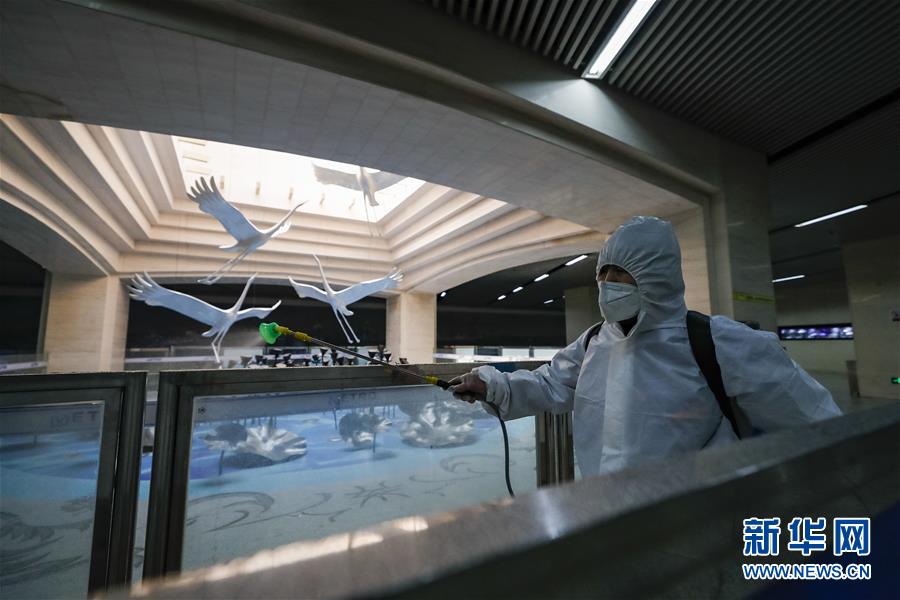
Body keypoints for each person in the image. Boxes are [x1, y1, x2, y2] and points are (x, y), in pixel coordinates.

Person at [448, 216, 841, 477]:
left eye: (620, 272)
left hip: (700, 514)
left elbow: (810, 419)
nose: (607, 283)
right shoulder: (595, 341)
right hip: (608, 507)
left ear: (656, 276)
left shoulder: (716, 341)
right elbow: (551, 384)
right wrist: (494, 385)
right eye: (603, 272)